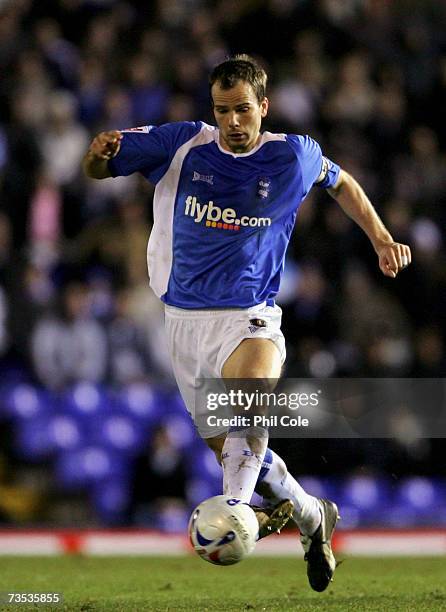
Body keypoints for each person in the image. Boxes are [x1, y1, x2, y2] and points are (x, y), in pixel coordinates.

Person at [83, 54, 411, 592]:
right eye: (222, 111)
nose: (233, 121)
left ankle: (235, 510)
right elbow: (97, 170)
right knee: (240, 453)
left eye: (242, 110)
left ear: (263, 106)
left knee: (249, 399)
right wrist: (96, 157)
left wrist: (380, 238)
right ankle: (312, 517)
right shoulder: (182, 145)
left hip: (251, 315)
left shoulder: (293, 156)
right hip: (183, 322)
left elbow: (342, 181)